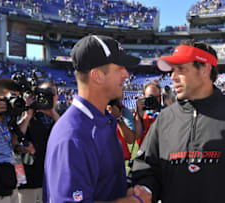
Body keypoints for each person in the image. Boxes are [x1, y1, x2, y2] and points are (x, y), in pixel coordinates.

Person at [128, 40, 225, 203]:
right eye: (172, 70)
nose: (172, 77)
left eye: (181, 69)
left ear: (205, 69)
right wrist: (145, 189)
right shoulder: (164, 119)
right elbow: (147, 168)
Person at [43, 35, 151, 203]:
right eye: (119, 68)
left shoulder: (103, 121)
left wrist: (125, 193)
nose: (126, 74)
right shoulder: (73, 134)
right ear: (97, 76)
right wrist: (135, 201)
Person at [0, 79, 32, 203]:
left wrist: (27, 116)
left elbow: (13, 141)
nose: (13, 102)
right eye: (9, 98)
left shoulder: (7, 116)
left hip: (9, 178)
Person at [16, 81, 60, 203]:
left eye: (52, 94)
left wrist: (54, 115)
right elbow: (15, 139)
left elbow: (69, 134)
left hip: (51, 182)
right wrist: (28, 114)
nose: (49, 97)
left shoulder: (61, 117)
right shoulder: (28, 115)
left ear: (57, 96)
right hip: (29, 181)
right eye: (45, 94)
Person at [107, 96, 136, 161]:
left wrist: (118, 118)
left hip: (119, 157)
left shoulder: (124, 111)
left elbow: (130, 139)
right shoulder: (97, 109)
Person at [134, 82, 162, 146]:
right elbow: (137, 135)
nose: (153, 100)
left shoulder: (166, 112)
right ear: (144, 97)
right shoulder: (141, 113)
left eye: (156, 97)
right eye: (150, 97)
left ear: (160, 97)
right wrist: (138, 113)